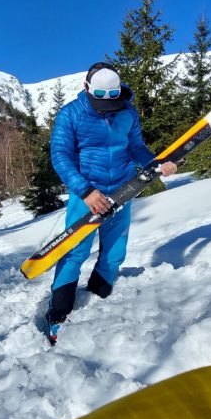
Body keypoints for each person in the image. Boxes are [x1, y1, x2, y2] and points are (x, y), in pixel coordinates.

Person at [46, 62, 177, 343]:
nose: (107, 109)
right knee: (75, 253)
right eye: (99, 102)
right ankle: (58, 313)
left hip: (122, 189)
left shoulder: (128, 111)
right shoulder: (70, 114)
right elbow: (60, 155)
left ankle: (98, 297)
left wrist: (157, 165)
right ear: (86, 89)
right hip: (87, 193)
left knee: (115, 252)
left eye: (112, 102)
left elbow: (136, 147)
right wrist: (85, 191)